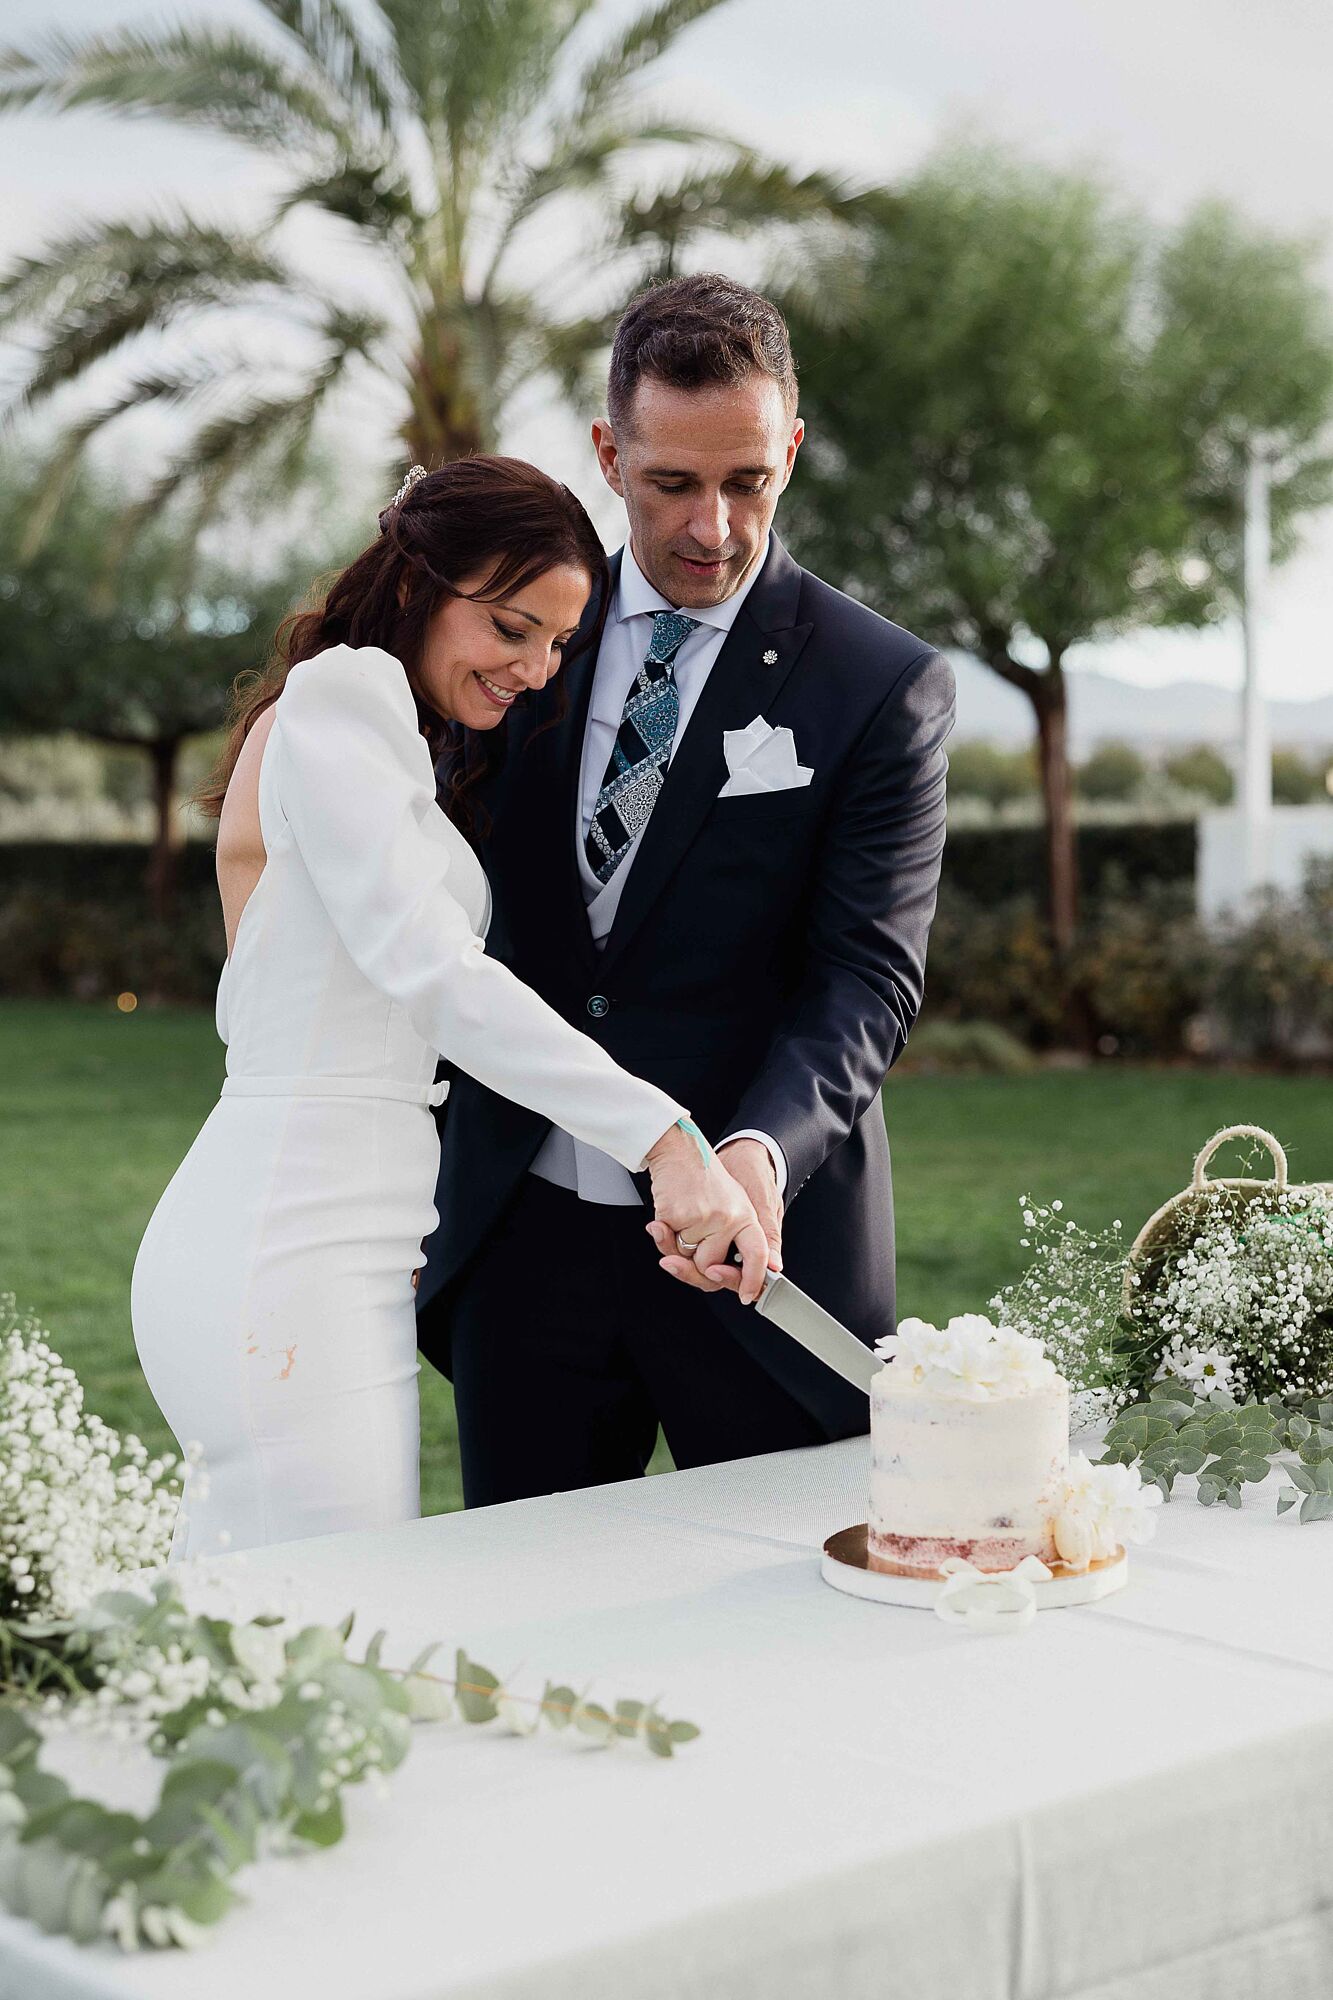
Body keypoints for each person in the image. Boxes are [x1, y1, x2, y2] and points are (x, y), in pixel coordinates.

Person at [131, 456, 770, 1559]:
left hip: (348, 1237)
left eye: (560, 642)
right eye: (513, 626)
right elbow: (431, 969)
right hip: (287, 1237)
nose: (536, 668)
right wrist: (662, 1136)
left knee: (266, 1635)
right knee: (327, 1622)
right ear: (422, 581)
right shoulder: (344, 694)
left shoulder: (388, 739)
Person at [416, 275, 957, 1507]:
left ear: (792, 452)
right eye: (672, 483)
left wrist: (759, 1157)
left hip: (757, 1264)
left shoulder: (882, 684)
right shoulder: (514, 637)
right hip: (523, 1244)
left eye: (749, 481)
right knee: (525, 1635)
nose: (713, 525)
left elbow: (865, 979)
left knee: (776, 1651)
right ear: (609, 453)